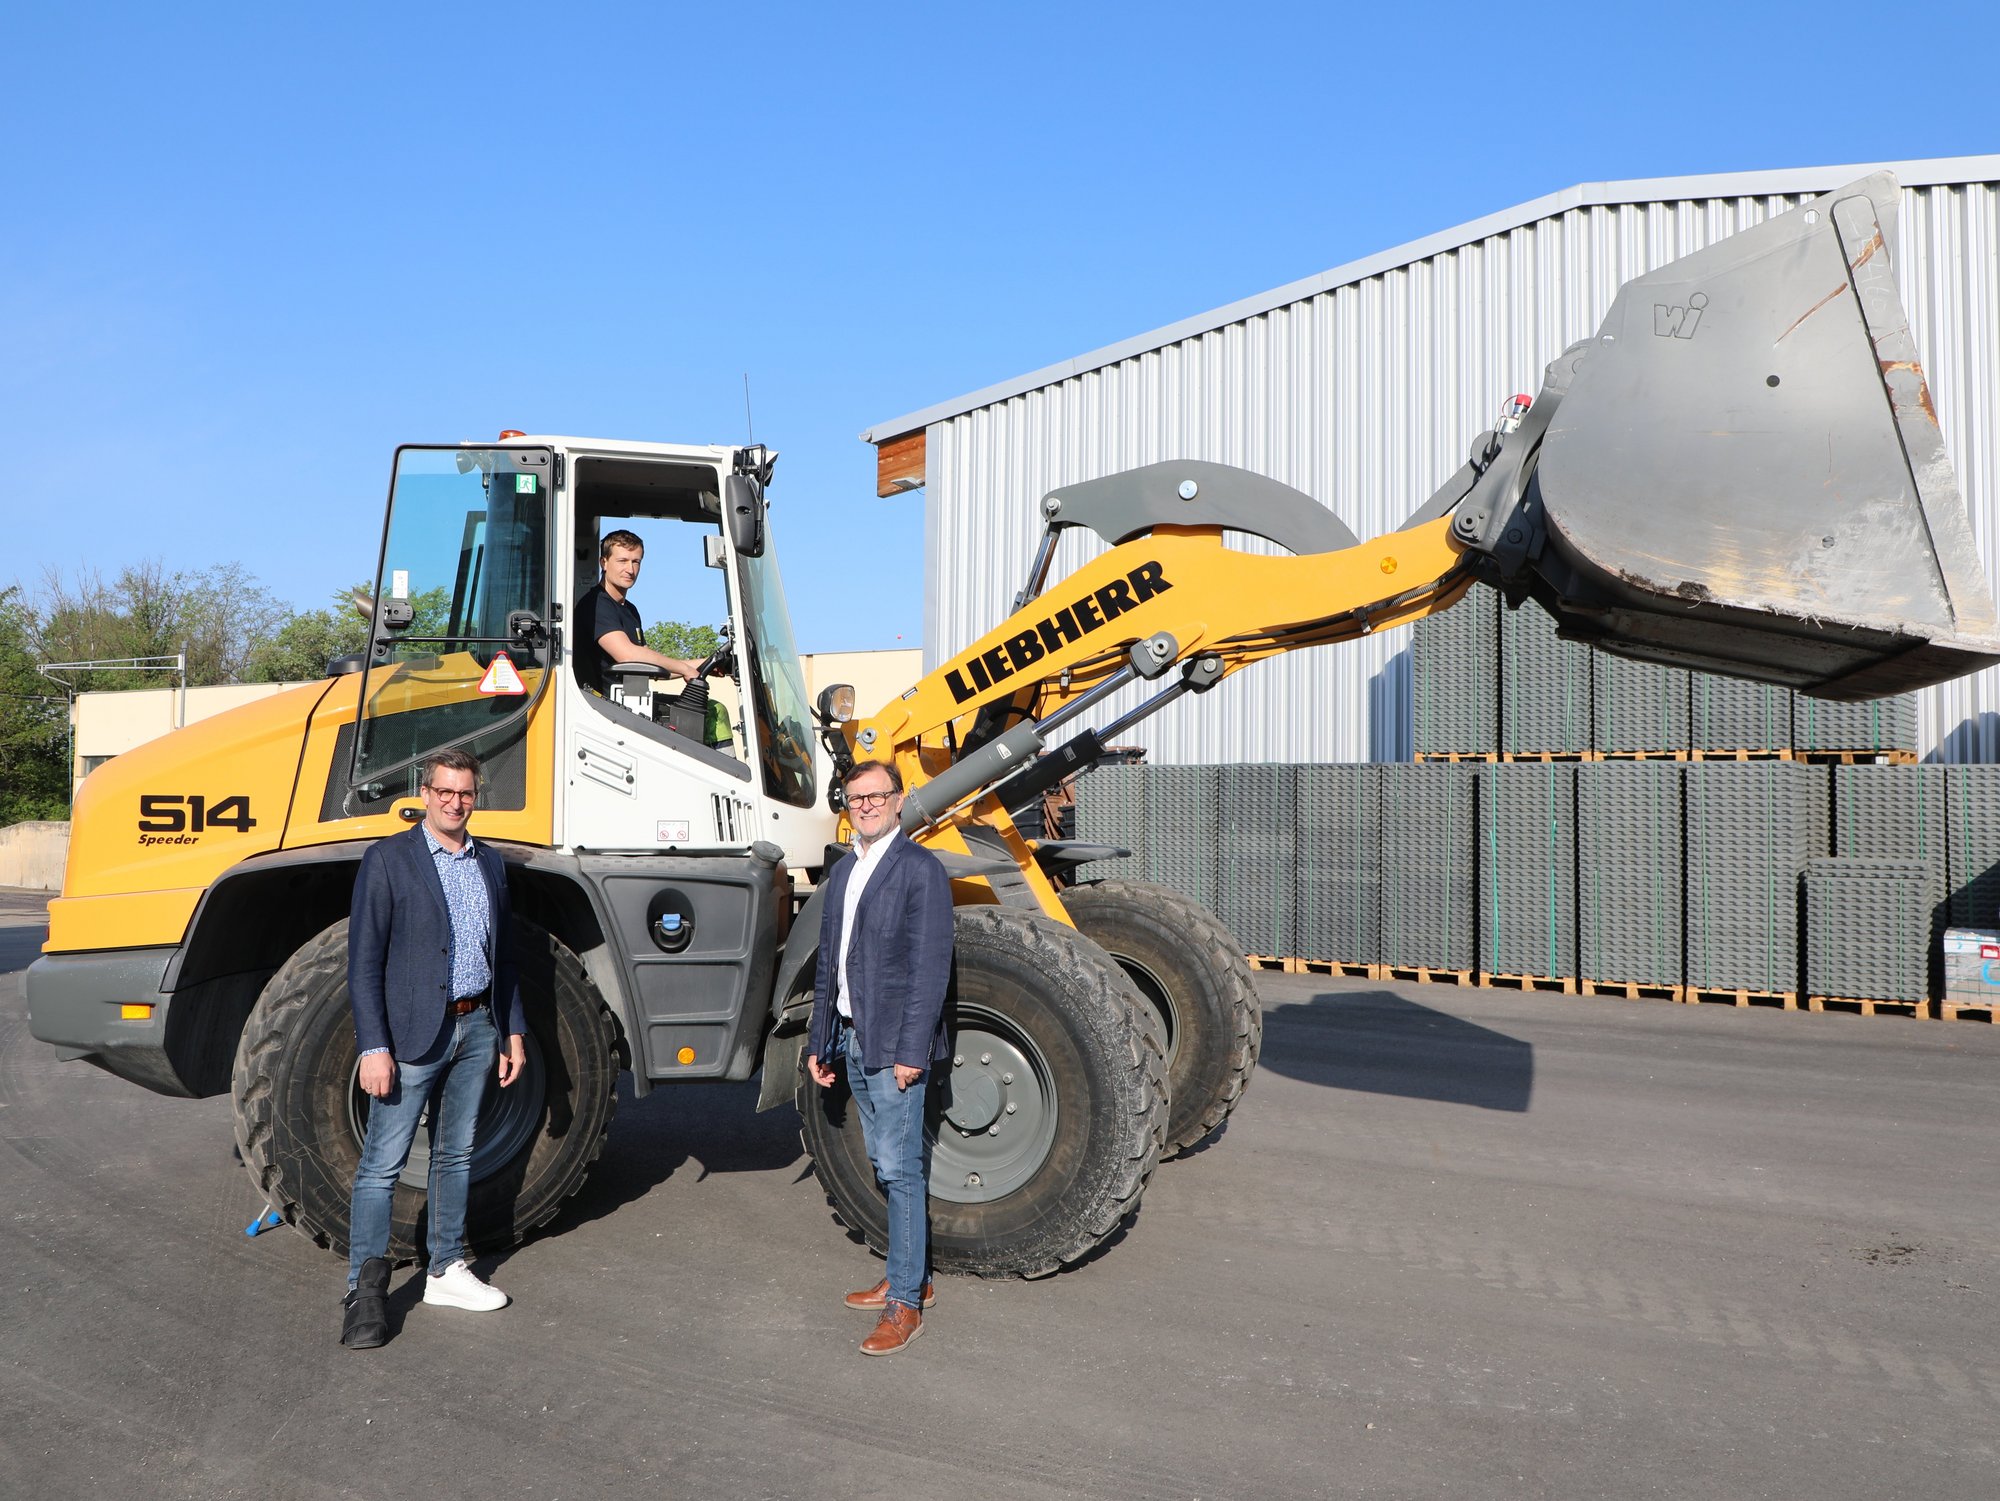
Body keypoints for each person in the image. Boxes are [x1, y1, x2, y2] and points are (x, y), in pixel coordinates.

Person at [339, 749, 530, 1350]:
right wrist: (374, 1044)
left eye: (466, 793)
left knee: (455, 1155)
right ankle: (364, 1290)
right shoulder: (388, 860)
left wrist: (511, 1028)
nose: (455, 802)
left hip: (478, 1029)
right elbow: (364, 962)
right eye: (445, 792)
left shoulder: (491, 864)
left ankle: (445, 1269)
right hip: (412, 1037)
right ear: (425, 793)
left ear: (476, 796)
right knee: (381, 1166)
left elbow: (506, 957)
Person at [805, 759, 954, 1356]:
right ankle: (905, 1275)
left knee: (899, 1168)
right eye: (854, 797)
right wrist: (820, 1040)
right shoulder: (846, 870)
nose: (864, 805)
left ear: (899, 801)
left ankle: (906, 1305)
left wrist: (911, 1051)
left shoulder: (920, 870)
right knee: (883, 1158)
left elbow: (929, 971)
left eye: (875, 796)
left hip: (893, 1042)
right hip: (850, 1033)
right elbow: (828, 964)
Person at [573, 528, 703, 697]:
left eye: (636, 562)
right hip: (600, 707)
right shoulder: (596, 604)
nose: (630, 569)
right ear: (603, 562)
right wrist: (685, 669)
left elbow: (648, 666)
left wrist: (703, 663)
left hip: (629, 703)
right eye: (622, 561)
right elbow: (628, 655)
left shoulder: (630, 610)